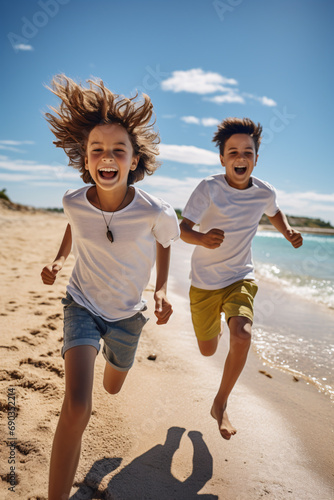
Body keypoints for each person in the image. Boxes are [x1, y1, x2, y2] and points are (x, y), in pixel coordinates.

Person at [41, 75, 180, 499]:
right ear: (85, 160)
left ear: (134, 160)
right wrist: (59, 259)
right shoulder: (73, 200)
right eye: (97, 150)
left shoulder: (153, 209)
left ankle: (118, 365)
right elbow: (75, 227)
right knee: (78, 406)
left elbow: (165, 239)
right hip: (81, 305)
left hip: (126, 316)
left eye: (118, 150)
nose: (107, 157)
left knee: (113, 385)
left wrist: (159, 289)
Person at [180, 117, 303, 440]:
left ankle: (220, 403)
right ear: (222, 158)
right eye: (232, 152)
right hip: (204, 283)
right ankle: (220, 324)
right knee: (208, 350)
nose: (240, 158)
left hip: (240, 277)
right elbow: (183, 228)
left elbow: (274, 210)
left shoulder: (264, 192)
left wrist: (287, 231)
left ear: (256, 158)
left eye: (247, 152)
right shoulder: (209, 188)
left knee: (242, 335)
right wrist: (202, 238)